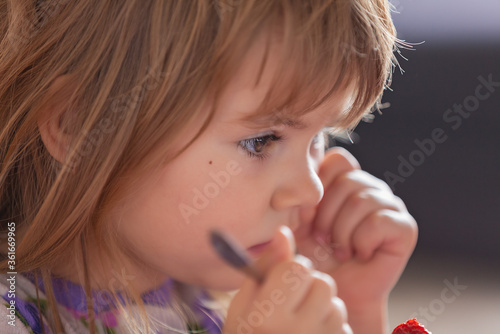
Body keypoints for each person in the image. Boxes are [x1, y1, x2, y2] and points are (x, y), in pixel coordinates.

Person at [0, 0, 417, 333]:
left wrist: (352, 309)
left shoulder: (206, 297)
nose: (311, 190)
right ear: (80, 122)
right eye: (262, 140)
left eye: (320, 136)